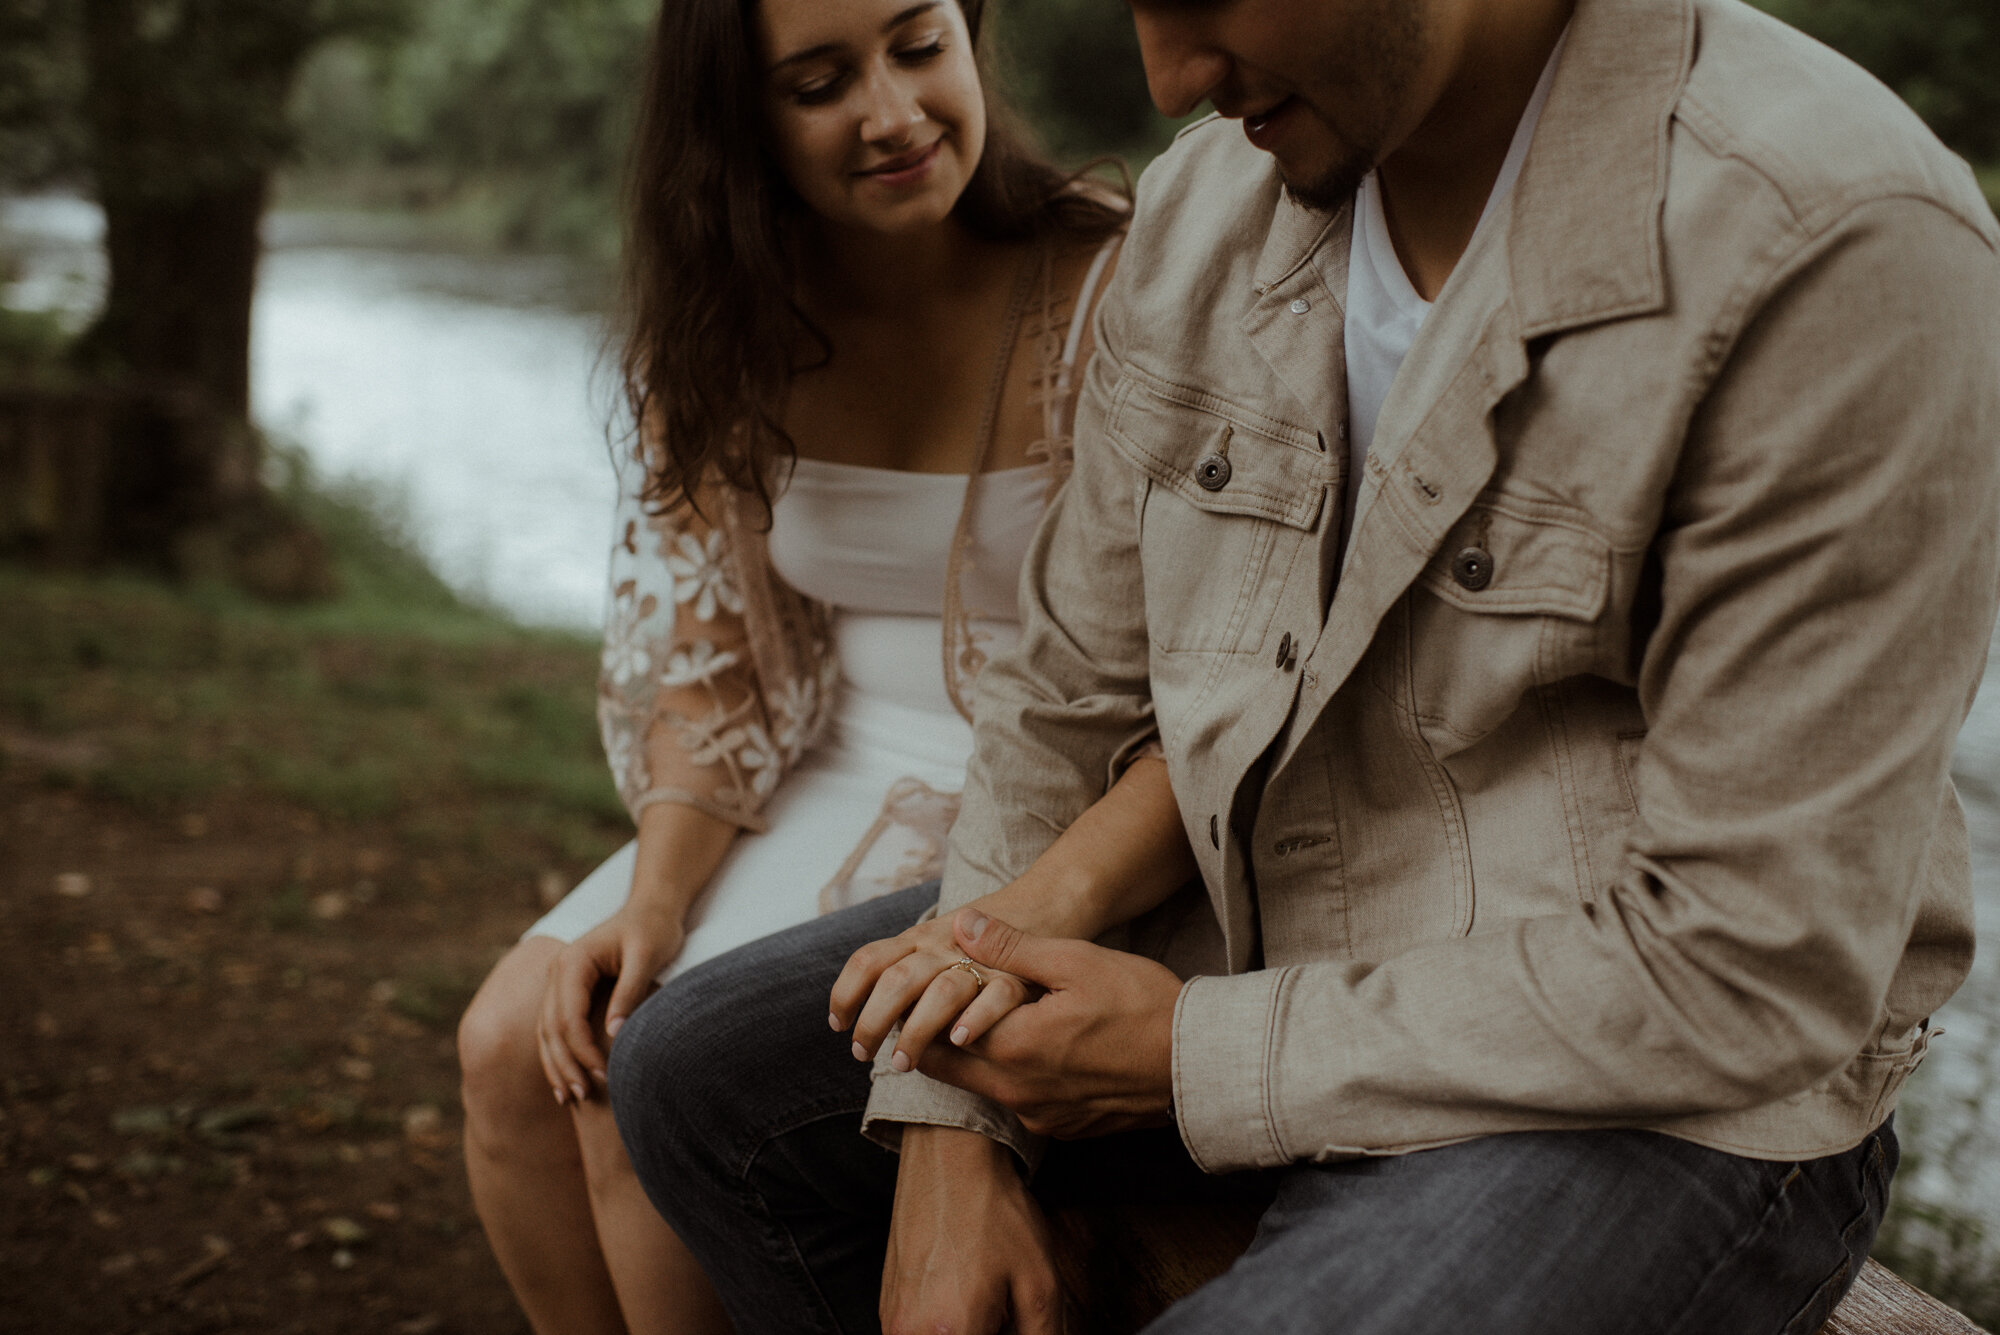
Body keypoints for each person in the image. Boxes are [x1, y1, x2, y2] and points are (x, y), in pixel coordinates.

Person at [607, 0, 2000, 1331]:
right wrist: (946, 1115)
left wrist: (1187, 1053)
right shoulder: (1203, 205)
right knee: (696, 1082)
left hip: (1658, 1092)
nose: (1165, 75)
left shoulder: (1840, 243)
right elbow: (1066, 696)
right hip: (1266, 912)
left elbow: (1754, 970)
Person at [450, 0, 1171, 1329]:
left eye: (917, 47)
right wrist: (656, 904)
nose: (891, 114)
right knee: (510, 1046)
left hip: (1058, 772)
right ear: (737, 124)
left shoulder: (1114, 280)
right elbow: (716, 663)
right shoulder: (724, 326)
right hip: (822, 754)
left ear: (971, 41)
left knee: (623, 1084)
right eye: (819, 82)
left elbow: (1189, 652)